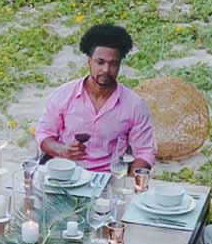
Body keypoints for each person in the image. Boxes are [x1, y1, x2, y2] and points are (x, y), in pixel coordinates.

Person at [35, 24, 155, 174]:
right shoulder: (63, 95)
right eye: (100, 62)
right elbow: (44, 135)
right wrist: (62, 150)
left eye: (113, 64)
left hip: (108, 178)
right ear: (89, 60)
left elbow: (144, 152)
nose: (106, 70)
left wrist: (133, 184)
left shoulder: (134, 105)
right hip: (64, 173)